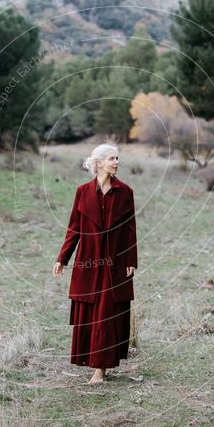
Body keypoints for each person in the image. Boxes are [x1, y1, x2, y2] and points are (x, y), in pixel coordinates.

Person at [53, 142, 138, 384]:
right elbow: (74, 229)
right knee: (91, 314)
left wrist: (131, 260)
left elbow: (131, 230)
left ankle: (100, 370)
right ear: (99, 163)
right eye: (112, 158)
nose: (117, 162)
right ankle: (93, 363)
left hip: (116, 263)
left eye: (118, 158)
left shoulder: (126, 192)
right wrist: (63, 258)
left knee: (107, 314)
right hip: (88, 263)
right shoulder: (82, 192)